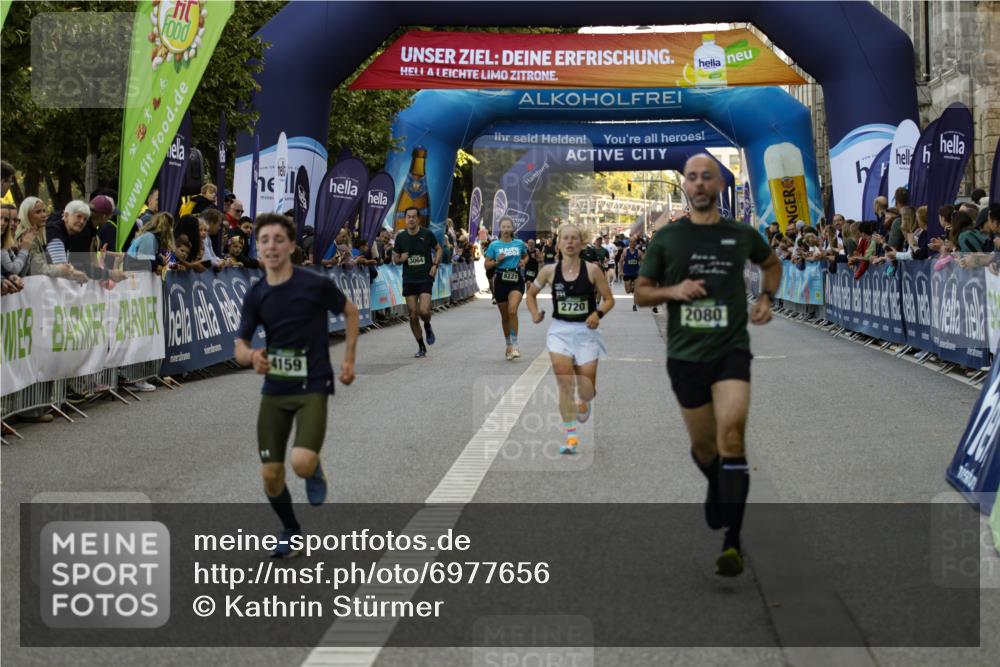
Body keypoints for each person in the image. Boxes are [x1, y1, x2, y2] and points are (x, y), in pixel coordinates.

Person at [634, 153, 781, 578]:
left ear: (719, 185)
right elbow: (641, 292)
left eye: (707, 177)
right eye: (692, 178)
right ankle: (717, 484)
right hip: (685, 355)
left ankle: (732, 543)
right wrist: (674, 290)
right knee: (705, 448)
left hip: (731, 347)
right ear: (686, 186)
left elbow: (771, 264)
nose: (699, 184)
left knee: (732, 436)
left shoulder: (741, 233)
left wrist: (766, 298)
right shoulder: (667, 240)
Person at [234, 213, 359, 558]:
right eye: (264, 240)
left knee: (300, 463)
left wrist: (348, 359)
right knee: (271, 475)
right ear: (257, 248)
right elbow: (240, 345)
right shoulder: (256, 294)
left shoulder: (314, 284)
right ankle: (291, 530)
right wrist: (252, 357)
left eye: (278, 239)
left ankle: (313, 465)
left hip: (312, 384)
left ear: (291, 246)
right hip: (275, 389)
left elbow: (351, 313)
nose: (271, 246)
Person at [525, 223, 614, 455]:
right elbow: (531, 294)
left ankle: (584, 402)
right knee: (565, 384)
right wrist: (535, 313)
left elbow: (608, 299)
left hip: (586, 332)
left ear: (581, 243)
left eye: (575, 238)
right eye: (566, 238)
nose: (570, 242)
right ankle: (571, 437)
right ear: (559, 243)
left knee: (586, 390)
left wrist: (598, 313)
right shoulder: (549, 271)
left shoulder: (593, 270)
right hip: (560, 331)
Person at [393, 206, 442, 358]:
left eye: (414, 216)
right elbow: (396, 259)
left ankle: (427, 325)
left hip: (425, 278)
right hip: (409, 279)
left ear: (418, 218)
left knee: (424, 311)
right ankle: (421, 346)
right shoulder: (400, 238)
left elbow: (439, 249)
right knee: (413, 315)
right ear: (405, 219)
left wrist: (435, 265)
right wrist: (401, 258)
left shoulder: (427, 234)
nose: (411, 219)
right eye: (409, 217)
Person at [484, 216, 529, 360]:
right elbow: (486, 265)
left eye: (508, 227)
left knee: (513, 311)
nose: (506, 229)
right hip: (501, 280)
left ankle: (515, 345)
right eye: (503, 227)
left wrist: (523, 261)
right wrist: (497, 261)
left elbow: (526, 256)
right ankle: (508, 344)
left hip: (516, 279)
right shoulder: (494, 245)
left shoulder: (519, 243)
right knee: (505, 317)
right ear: (500, 228)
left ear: (512, 229)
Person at [621, 236, 643, 310]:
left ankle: (634, 305)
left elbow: (643, 261)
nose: (632, 243)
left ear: (636, 243)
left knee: (636, 289)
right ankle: (632, 289)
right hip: (627, 272)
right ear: (629, 243)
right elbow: (620, 261)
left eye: (634, 242)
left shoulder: (639, 252)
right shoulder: (625, 251)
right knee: (628, 291)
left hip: (636, 272)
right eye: (631, 242)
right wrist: (621, 271)